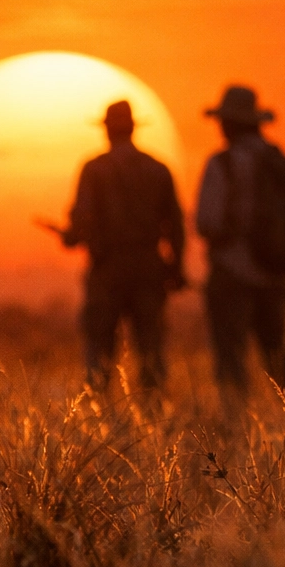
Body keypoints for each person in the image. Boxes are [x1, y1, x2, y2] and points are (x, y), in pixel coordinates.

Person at [48, 100, 186, 391]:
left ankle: (98, 417)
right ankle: (154, 413)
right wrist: (176, 268)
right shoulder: (158, 169)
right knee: (150, 347)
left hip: (106, 269)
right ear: (134, 128)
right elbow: (176, 226)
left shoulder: (95, 169)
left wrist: (70, 236)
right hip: (149, 268)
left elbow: (80, 222)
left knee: (99, 348)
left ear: (108, 130)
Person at [195, 85, 285, 399]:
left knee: (230, 356)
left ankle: (236, 421)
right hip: (274, 274)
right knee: (276, 352)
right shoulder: (278, 162)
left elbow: (207, 222)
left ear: (231, 123)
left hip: (231, 273)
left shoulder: (222, 164)